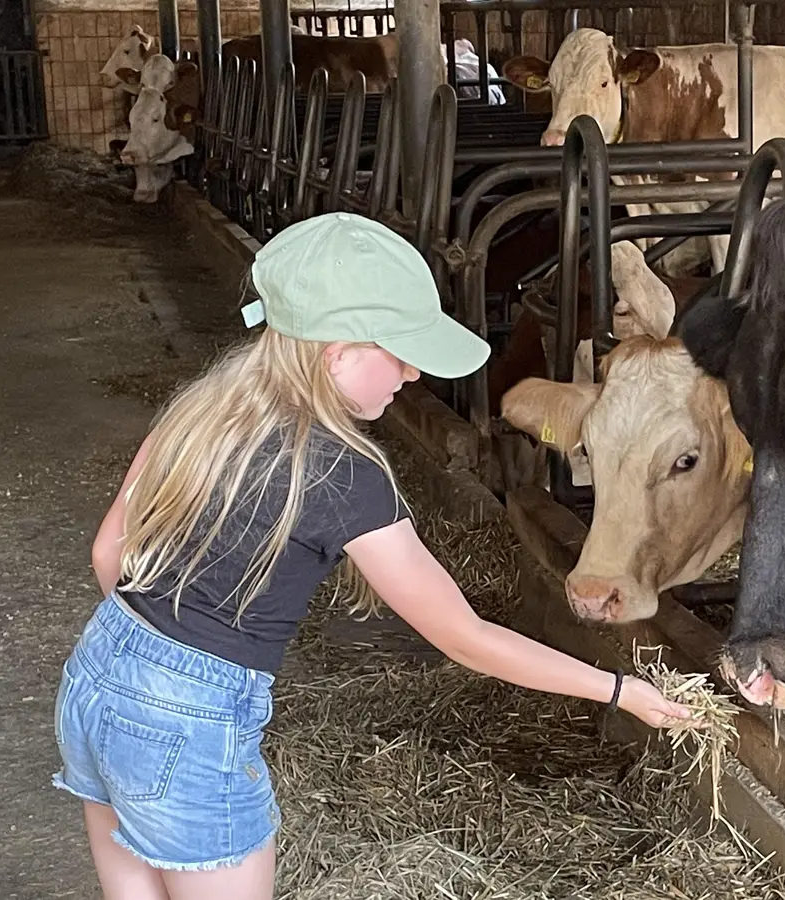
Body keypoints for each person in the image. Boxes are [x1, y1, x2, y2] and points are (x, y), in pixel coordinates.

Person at [51, 212, 696, 900]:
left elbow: (108, 552)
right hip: (189, 722)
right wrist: (622, 691)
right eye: (398, 350)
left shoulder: (202, 406)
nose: (413, 371)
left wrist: (147, 665)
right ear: (337, 353)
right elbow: (466, 638)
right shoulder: (342, 474)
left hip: (96, 674)